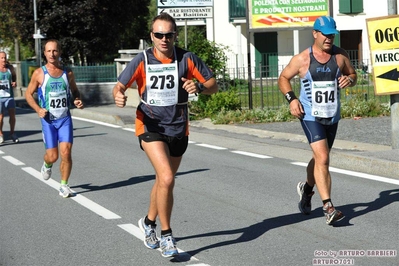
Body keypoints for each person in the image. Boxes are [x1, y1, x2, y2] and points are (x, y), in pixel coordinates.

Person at [113, 12, 218, 257]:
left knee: (164, 180)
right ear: (152, 36)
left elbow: (213, 85)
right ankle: (166, 235)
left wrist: (199, 86)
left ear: (174, 35)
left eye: (168, 35)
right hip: (149, 125)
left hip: (178, 127)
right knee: (168, 178)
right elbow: (119, 86)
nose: (163, 39)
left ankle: (148, 223)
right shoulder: (142, 60)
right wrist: (117, 95)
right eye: (158, 35)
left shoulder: (187, 58)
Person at [278, 16, 357, 225]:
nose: (329, 39)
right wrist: (292, 99)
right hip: (310, 114)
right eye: (325, 34)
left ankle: (307, 189)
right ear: (315, 33)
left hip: (332, 115)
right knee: (323, 157)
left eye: (332, 34)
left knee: (320, 158)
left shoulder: (340, 56)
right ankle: (328, 207)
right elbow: (283, 78)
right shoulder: (302, 59)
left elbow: (353, 73)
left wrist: (350, 79)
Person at [25, 39, 84, 198]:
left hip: (64, 119)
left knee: (66, 152)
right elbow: (28, 94)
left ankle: (64, 185)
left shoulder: (68, 72)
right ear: (44, 53)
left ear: (59, 52)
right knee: (53, 156)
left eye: (55, 51)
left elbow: (75, 91)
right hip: (48, 121)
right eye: (49, 51)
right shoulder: (39, 73)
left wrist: (77, 99)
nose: (52, 54)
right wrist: (38, 109)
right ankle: (47, 164)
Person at [0, 51, 19, 144]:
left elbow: (14, 80)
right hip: (0, 98)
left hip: (9, 96)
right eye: (2, 58)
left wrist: (14, 83)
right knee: (1, 117)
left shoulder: (10, 69)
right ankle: (0, 134)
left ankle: (12, 133)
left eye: (5, 57)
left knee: (12, 115)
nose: (4, 59)